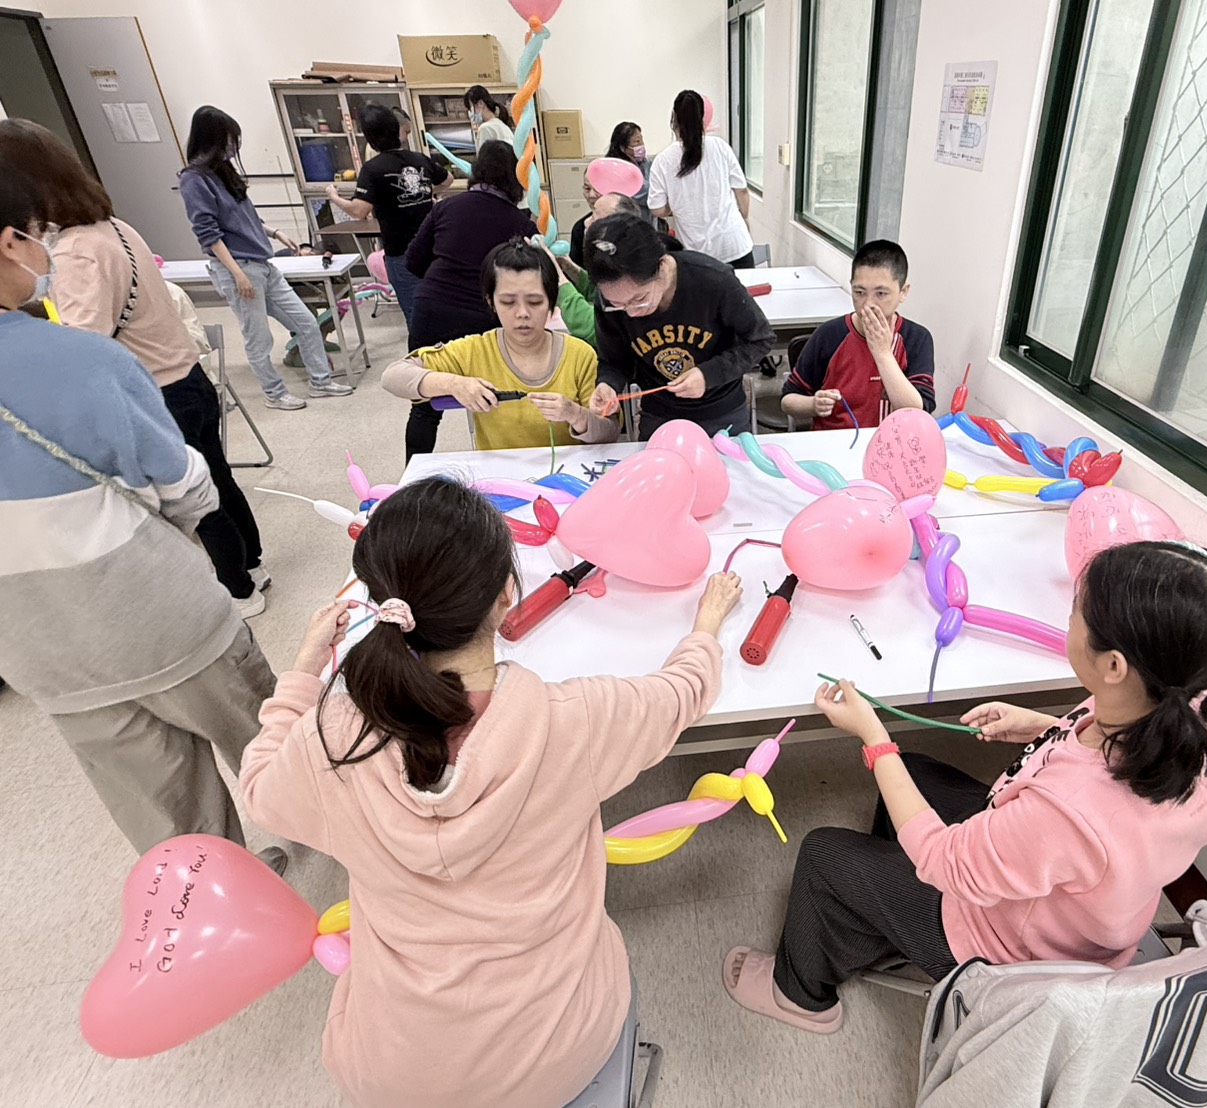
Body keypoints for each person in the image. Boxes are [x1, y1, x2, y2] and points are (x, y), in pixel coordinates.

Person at [240, 477, 743, 1106]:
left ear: (382, 603)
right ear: (508, 594)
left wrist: (304, 670)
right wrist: (707, 623)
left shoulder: (334, 738)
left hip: (394, 1072)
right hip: (557, 1056)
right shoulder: (576, 721)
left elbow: (259, 789)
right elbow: (684, 692)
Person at [723, 540, 1207, 1033]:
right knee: (914, 776)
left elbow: (947, 861)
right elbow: (1102, 754)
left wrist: (874, 738)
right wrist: (1045, 728)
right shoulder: (1198, 712)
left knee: (825, 854)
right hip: (1078, 912)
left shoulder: (1072, 810)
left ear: (1115, 665)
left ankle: (800, 996)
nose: (1070, 617)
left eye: (1077, 611)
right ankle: (878, 918)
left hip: (1013, 951)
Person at [0, 168, 284, 873]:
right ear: (11, 242)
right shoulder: (81, 359)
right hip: (156, 617)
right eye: (38, 237)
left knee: (169, 820)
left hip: (43, 651)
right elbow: (185, 487)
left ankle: (220, 906)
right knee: (272, 747)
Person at [0, 118, 271, 618]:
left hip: (158, 390)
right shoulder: (115, 227)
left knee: (192, 495)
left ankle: (238, 588)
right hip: (188, 376)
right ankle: (252, 563)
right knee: (216, 476)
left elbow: (84, 348)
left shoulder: (76, 251)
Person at [179, 105, 353, 410]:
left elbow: (243, 218)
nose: (234, 147)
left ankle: (321, 381)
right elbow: (208, 233)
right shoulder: (194, 179)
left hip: (263, 265)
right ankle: (274, 393)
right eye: (229, 140)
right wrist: (237, 274)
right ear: (212, 140)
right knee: (258, 338)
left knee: (306, 322)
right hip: (238, 269)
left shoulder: (223, 172)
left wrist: (275, 233)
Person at [383, 240, 617, 450]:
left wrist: (576, 415)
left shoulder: (579, 354)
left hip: (567, 476)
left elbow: (610, 433)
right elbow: (393, 376)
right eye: (508, 302)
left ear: (551, 302)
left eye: (535, 302)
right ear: (491, 302)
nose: (522, 313)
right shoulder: (475, 351)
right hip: (498, 478)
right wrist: (454, 384)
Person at [401, 141, 538, 458]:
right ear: (516, 178)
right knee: (492, 398)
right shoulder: (520, 223)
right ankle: (500, 465)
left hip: (432, 308)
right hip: (482, 316)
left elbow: (413, 261)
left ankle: (412, 474)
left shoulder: (446, 207)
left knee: (424, 405)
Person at [586, 213, 774, 439]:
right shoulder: (609, 302)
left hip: (721, 412)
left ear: (663, 265)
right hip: (659, 414)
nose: (631, 312)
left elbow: (760, 339)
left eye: (640, 299)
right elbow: (614, 361)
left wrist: (708, 374)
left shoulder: (712, 280)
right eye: (617, 304)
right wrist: (608, 384)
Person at [781, 240, 936, 430]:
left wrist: (882, 353)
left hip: (894, 441)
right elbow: (788, 399)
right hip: (836, 441)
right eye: (859, 292)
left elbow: (917, 412)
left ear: (903, 292)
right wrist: (813, 405)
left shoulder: (917, 338)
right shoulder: (830, 335)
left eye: (881, 293)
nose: (868, 304)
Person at [324, 104, 449, 339]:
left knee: (415, 315)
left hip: (402, 254)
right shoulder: (419, 159)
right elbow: (448, 179)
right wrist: (424, 192)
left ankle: (426, 357)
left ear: (370, 139)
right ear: (396, 129)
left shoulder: (373, 169)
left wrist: (334, 197)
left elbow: (359, 210)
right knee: (441, 307)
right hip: (433, 249)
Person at [648, 90, 754, 268]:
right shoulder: (720, 146)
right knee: (743, 287)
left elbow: (657, 209)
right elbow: (741, 190)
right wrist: (744, 217)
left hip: (696, 254)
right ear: (703, 118)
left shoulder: (662, 161)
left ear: (674, 119)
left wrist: (680, 206)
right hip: (734, 243)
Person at [537, 192, 647, 345]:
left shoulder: (630, 269)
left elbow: (591, 326)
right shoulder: (614, 259)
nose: (586, 222)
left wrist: (556, 275)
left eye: (594, 217)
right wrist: (570, 268)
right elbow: (600, 294)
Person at [605, 120, 653, 222]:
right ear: (623, 148)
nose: (642, 144)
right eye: (637, 142)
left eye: (642, 139)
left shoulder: (645, 163)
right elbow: (647, 196)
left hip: (649, 220)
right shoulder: (619, 171)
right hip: (628, 222)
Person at [465, 86, 515, 152]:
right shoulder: (502, 125)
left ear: (480, 103)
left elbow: (484, 157)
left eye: (471, 108)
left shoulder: (485, 128)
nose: (470, 113)